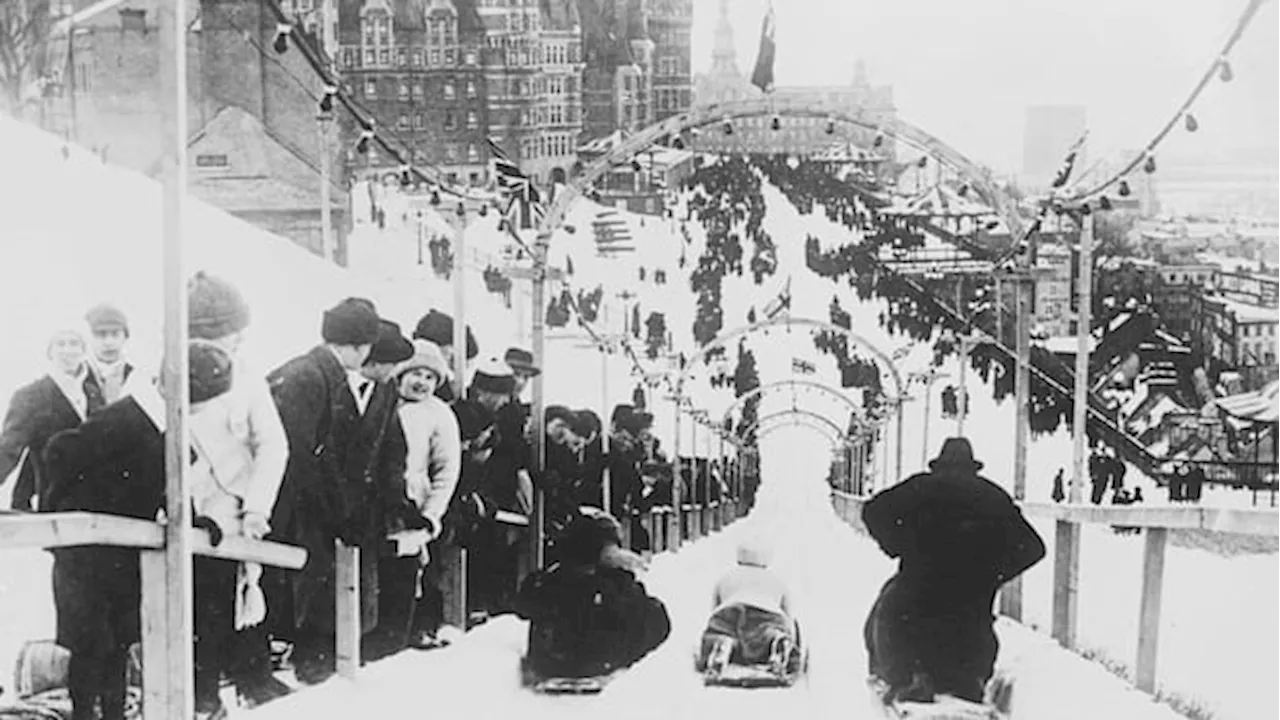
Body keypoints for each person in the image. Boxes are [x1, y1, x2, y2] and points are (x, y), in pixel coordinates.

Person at [41, 342, 233, 720]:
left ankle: (113, 715)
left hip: (124, 555)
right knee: (90, 644)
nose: (202, 408)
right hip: (86, 554)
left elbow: (169, 486)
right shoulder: (126, 419)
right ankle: (83, 714)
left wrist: (196, 522)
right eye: (201, 399)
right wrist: (74, 519)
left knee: (117, 643)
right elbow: (58, 452)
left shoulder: (168, 428)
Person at [862, 438, 1045, 706]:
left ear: (939, 465)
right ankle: (968, 679)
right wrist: (992, 574)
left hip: (917, 588)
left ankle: (907, 677)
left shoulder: (921, 486)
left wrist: (898, 545)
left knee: (887, 618)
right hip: (971, 601)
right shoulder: (992, 496)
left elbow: (872, 511)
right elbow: (1032, 548)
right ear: (973, 468)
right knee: (973, 633)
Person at [515, 509, 670, 681]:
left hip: (548, 665)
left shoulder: (548, 579)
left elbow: (523, 606)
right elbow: (658, 623)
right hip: (596, 664)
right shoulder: (613, 584)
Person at [697, 537, 800, 680]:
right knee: (766, 635)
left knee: (721, 632)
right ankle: (775, 642)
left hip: (729, 613)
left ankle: (722, 643)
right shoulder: (776, 581)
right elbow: (787, 615)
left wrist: (714, 627)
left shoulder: (726, 578)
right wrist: (790, 634)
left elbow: (714, 608)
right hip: (767, 615)